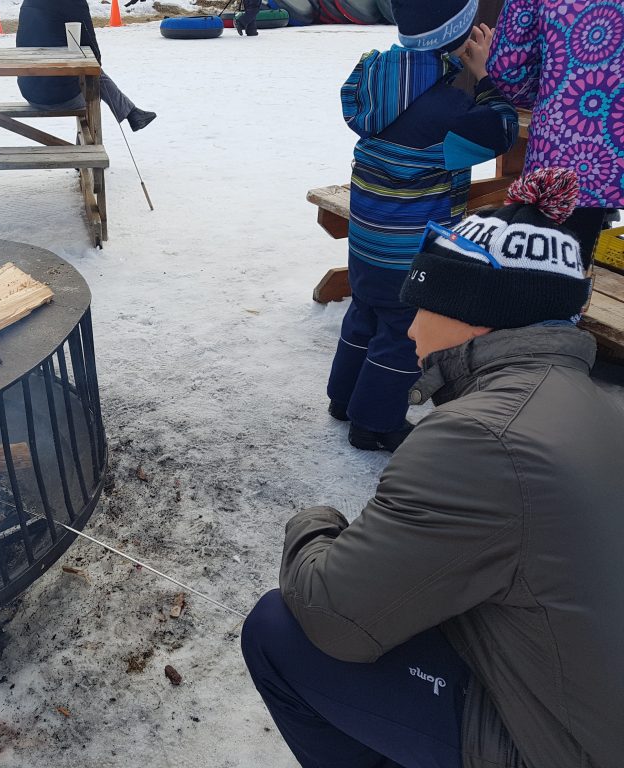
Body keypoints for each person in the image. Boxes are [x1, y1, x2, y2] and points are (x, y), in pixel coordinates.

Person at [243, 168, 624, 768]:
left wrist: (312, 522)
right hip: (589, 711)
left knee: (278, 630)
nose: (413, 328)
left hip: (555, 747)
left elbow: (333, 611)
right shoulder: (596, 400)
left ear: (480, 318)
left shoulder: (481, 439)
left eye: (423, 305)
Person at [326, 0, 519, 452]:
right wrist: (485, 77)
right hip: (408, 250)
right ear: (459, 32)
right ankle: (374, 424)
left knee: (365, 313)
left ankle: (343, 399)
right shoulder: (451, 113)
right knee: (401, 332)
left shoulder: (377, 74)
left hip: (369, 237)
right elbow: (501, 132)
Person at [487, 1, 624, 268]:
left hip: (573, 141)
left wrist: (555, 91)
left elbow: (507, 70)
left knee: (559, 272)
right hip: (583, 142)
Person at [16, 0, 156, 132]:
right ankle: (88, 148)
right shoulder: (73, 3)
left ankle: (131, 113)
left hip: (29, 90)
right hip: (60, 97)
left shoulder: (28, 2)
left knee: (91, 77)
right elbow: (92, 52)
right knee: (92, 88)